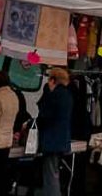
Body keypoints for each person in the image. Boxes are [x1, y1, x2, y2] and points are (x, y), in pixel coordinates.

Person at [37, 67, 73, 196]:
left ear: (52, 80)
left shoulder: (54, 96)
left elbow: (45, 115)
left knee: (50, 174)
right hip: (62, 139)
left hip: (52, 140)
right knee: (54, 172)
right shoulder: (67, 95)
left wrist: (46, 92)